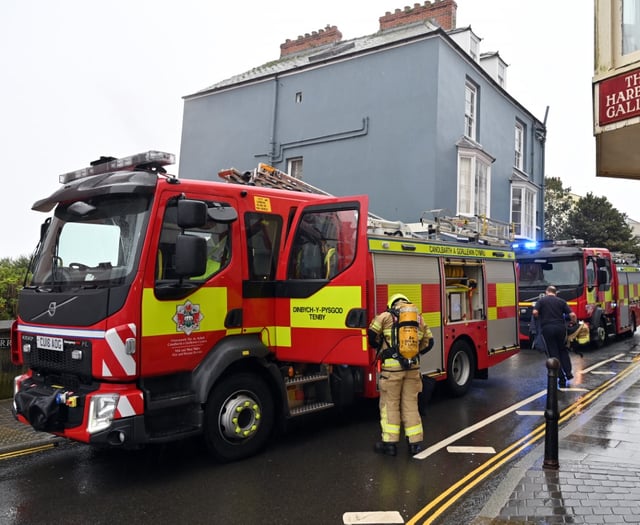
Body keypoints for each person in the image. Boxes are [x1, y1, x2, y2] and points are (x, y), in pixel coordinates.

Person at [368, 293, 434, 457]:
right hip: (412, 370)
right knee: (411, 406)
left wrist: (382, 347)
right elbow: (429, 342)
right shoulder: (418, 319)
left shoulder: (385, 316)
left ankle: (390, 445)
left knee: (390, 405)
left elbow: (371, 336)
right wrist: (413, 354)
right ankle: (415, 445)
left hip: (391, 371)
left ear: (392, 303)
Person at [532, 285, 577, 388]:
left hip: (547, 329)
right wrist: (573, 323)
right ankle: (568, 373)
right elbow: (572, 315)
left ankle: (561, 378)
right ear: (555, 293)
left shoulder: (541, 301)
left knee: (553, 353)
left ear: (547, 292)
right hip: (560, 328)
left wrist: (538, 317)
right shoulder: (561, 301)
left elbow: (535, 312)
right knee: (563, 350)